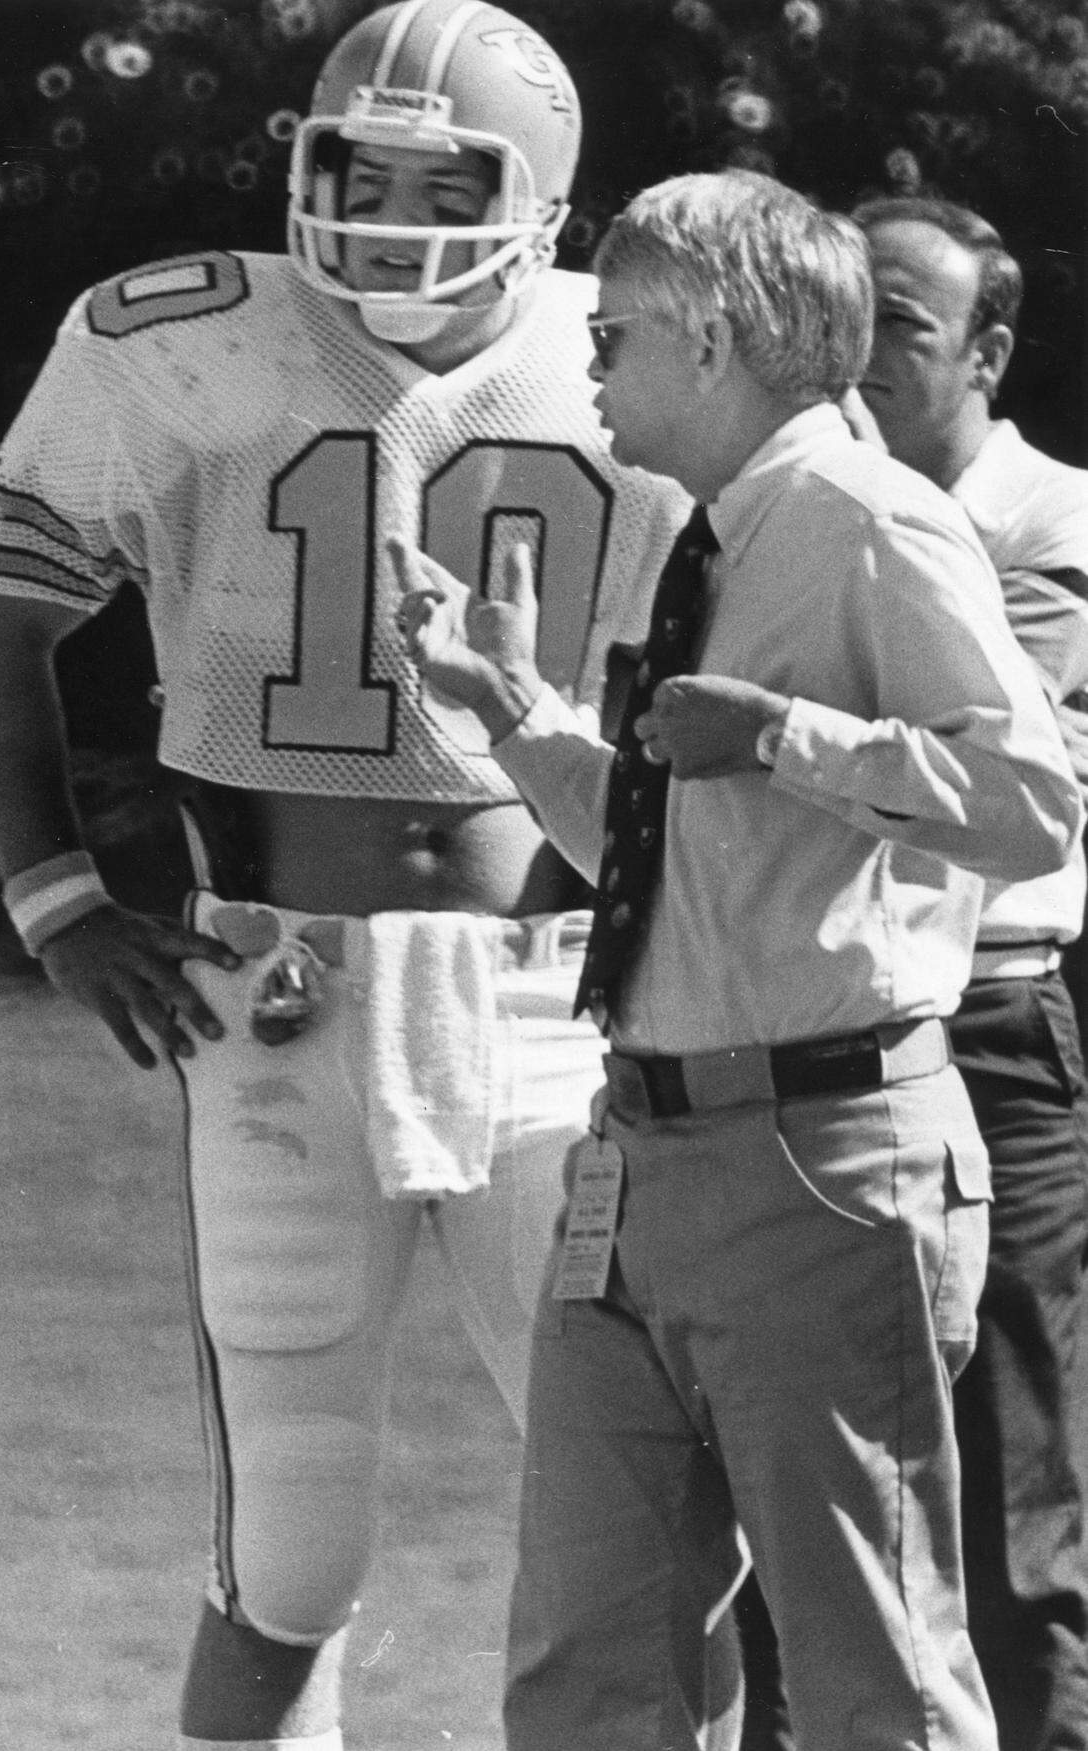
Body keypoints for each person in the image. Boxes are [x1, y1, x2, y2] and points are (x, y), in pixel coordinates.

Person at [0, 5, 727, 1749]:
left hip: (565, 1006)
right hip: (275, 986)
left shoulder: (647, 349)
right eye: (349, 171)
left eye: (431, 179)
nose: (382, 214)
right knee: (290, 1549)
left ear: (539, 193)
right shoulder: (175, 338)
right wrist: (59, 901)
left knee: (667, 1528)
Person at [391, 167, 1086, 1750]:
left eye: (617, 330)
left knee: (870, 1681)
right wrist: (513, 709)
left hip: (822, 1166)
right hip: (634, 1162)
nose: (591, 360)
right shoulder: (710, 533)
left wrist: (784, 731)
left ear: (709, 341)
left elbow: (1037, 806)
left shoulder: (867, 519)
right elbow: (662, 856)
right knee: (584, 1672)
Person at [852, 194, 1088, 1751]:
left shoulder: (1052, 528)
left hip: (991, 1031)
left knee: (1019, 1494)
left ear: (990, 351)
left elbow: (1002, 784)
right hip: (824, 1033)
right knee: (814, 1476)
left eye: (903, 329)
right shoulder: (802, 509)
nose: (859, 358)